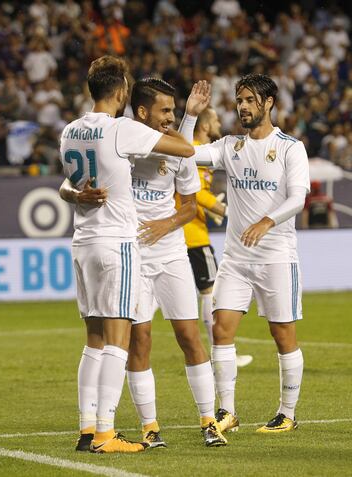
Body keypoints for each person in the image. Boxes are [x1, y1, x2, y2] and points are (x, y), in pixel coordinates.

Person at [60, 78, 227, 448]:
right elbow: (68, 182)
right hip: (129, 252)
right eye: (165, 110)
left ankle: (207, 419)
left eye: (172, 110)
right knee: (140, 340)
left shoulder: (174, 152)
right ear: (140, 112)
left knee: (189, 335)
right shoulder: (121, 140)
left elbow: (187, 206)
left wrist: (165, 224)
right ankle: (149, 426)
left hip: (169, 253)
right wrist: (76, 194)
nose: (169, 117)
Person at [191, 73, 310, 434]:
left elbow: (298, 198)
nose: (242, 106)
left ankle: (287, 412)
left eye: (248, 100)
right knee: (221, 329)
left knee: (282, 334)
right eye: (239, 100)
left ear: (268, 103)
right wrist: (189, 117)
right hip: (237, 259)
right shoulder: (231, 147)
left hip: (276, 255)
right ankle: (227, 411)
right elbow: (186, 154)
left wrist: (267, 221)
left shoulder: (291, 147)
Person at [177, 106, 253, 368]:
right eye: (216, 119)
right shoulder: (196, 150)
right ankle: (218, 352)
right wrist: (222, 209)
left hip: (186, 230)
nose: (220, 122)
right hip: (193, 235)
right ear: (206, 125)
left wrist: (211, 211)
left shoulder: (195, 150)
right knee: (210, 291)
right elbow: (195, 192)